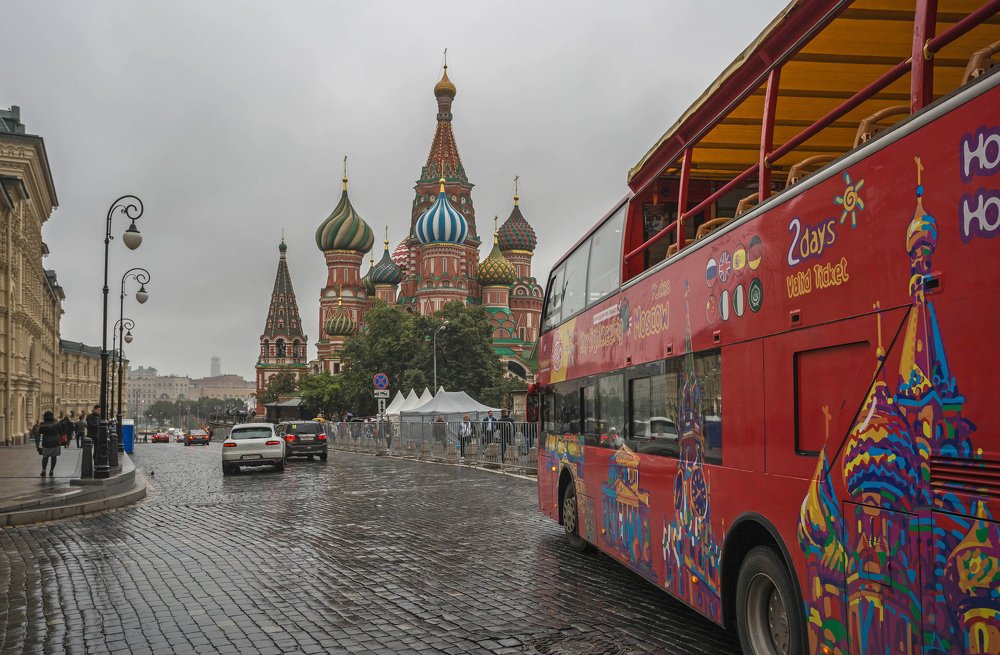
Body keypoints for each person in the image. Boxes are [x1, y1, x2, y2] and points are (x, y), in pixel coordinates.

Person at [38, 410, 61, 476]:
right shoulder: (56, 423)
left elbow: (39, 432)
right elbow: (60, 431)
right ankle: (51, 470)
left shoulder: (42, 424)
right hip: (55, 442)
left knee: (45, 457)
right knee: (54, 457)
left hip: (46, 442)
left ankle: (44, 470)